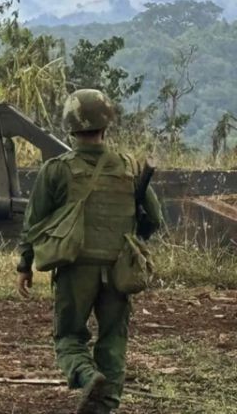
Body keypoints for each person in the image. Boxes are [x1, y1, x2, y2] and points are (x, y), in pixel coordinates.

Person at [16, 89, 164, 414]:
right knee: (112, 342)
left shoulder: (56, 170)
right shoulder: (128, 167)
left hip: (74, 267)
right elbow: (154, 218)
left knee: (68, 337)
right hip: (118, 270)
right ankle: (104, 406)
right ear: (106, 125)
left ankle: (86, 375)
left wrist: (24, 265)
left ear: (70, 126)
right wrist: (133, 237)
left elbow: (34, 221)